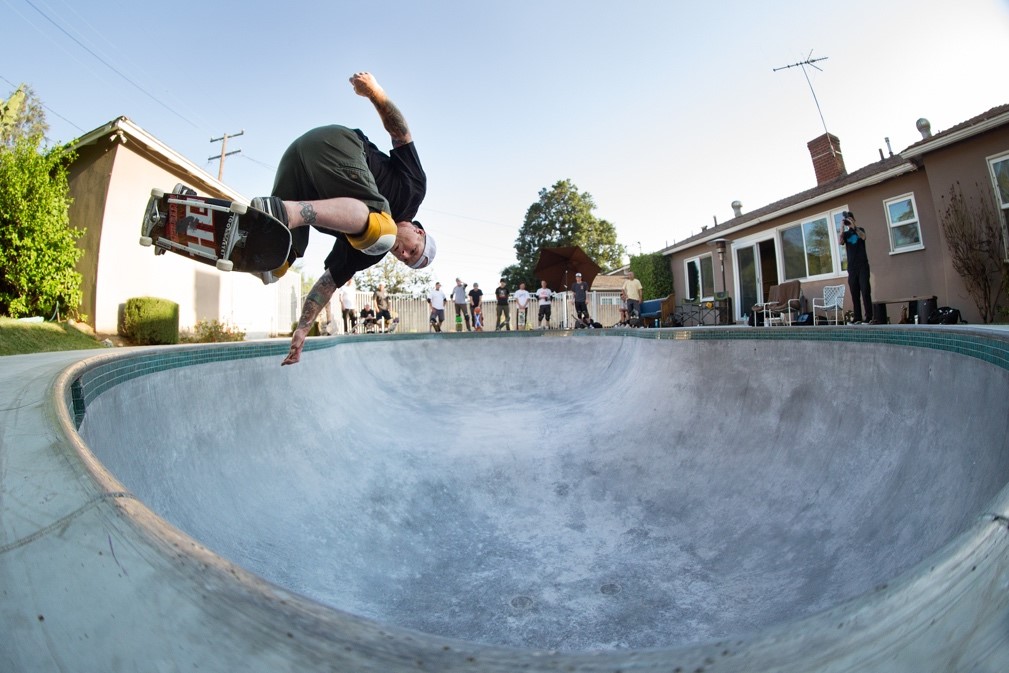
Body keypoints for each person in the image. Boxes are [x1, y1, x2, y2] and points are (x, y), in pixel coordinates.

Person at [275, 72, 436, 365]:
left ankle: (235, 238)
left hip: (296, 168)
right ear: (419, 231)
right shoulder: (415, 190)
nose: (401, 253)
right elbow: (400, 135)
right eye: (411, 249)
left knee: (279, 256)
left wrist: (302, 329)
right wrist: (375, 92)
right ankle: (291, 212)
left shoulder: (366, 252)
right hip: (335, 142)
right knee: (381, 228)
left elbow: (328, 283)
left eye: (404, 259)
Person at [839, 210, 873, 323]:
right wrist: (842, 228)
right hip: (852, 268)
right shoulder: (846, 234)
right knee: (854, 293)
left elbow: (863, 237)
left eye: (851, 220)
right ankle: (857, 317)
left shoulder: (860, 230)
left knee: (865, 290)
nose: (849, 222)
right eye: (848, 220)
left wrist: (854, 227)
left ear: (854, 220)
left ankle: (869, 317)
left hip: (862, 265)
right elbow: (840, 242)